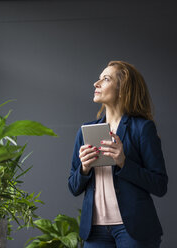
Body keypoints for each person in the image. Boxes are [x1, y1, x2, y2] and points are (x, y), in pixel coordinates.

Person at [68, 61, 168, 248]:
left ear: (122, 90)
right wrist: (84, 169)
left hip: (133, 230)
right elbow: (73, 187)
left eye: (105, 79)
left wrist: (123, 163)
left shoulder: (142, 128)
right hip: (95, 231)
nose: (96, 84)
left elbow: (160, 185)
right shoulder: (86, 131)